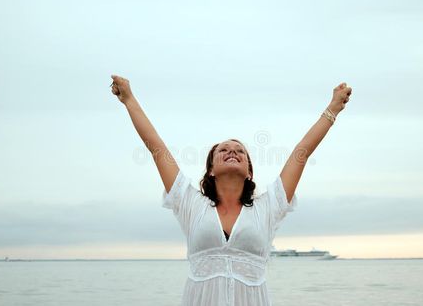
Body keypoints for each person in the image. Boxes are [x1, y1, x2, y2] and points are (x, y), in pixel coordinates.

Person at [110, 75, 352, 306]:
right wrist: (129, 100)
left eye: (240, 151)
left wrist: (333, 109)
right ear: (211, 170)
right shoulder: (190, 204)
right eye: (223, 150)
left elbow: (302, 152)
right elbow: (157, 148)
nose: (232, 152)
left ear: (249, 171)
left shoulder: (268, 207)